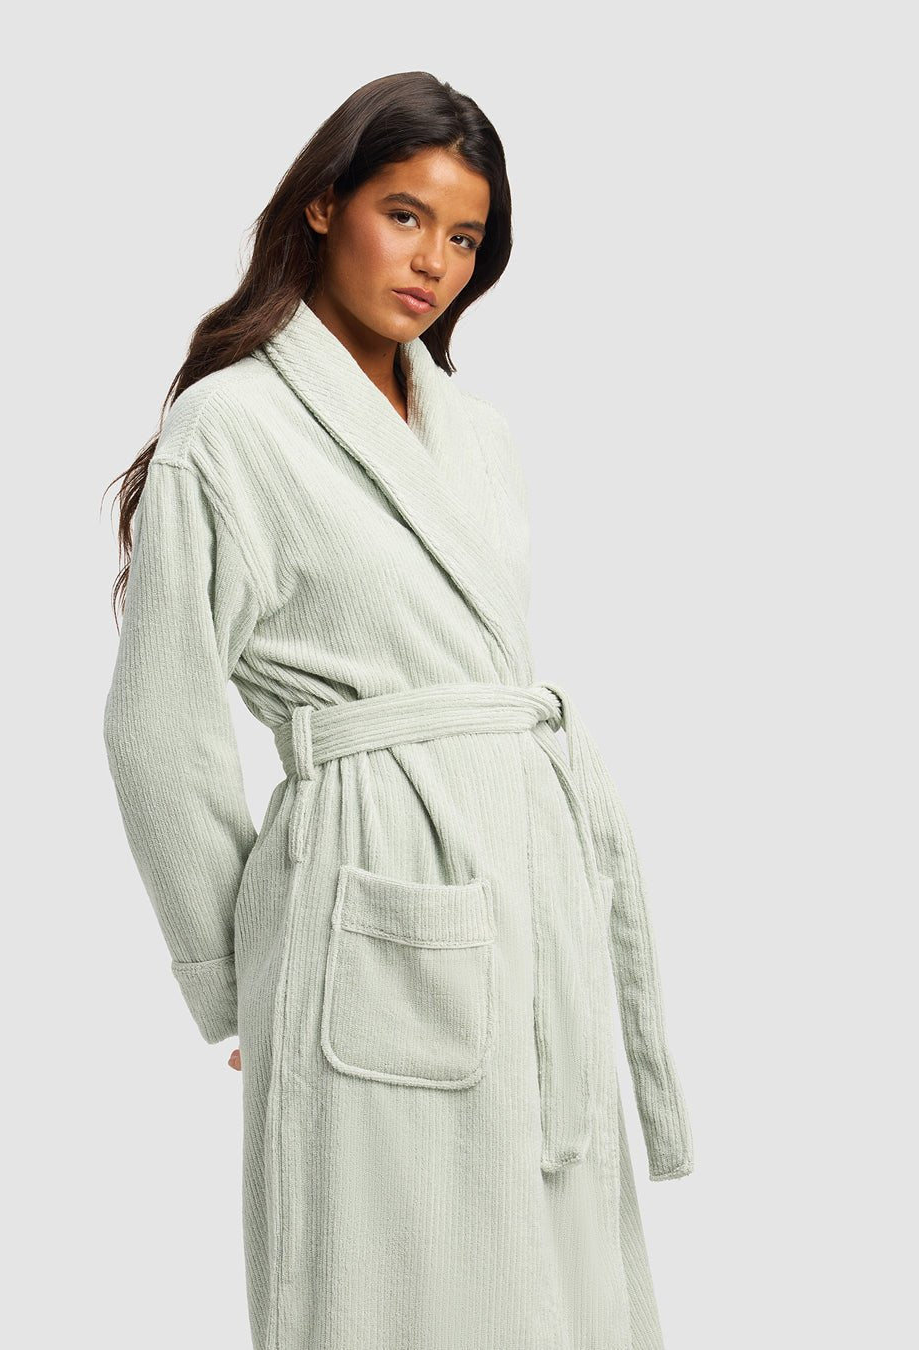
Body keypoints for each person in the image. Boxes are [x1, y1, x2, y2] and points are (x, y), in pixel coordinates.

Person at [102, 69, 693, 1350]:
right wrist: (242, 976)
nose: (434, 262)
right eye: (406, 215)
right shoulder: (231, 426)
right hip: (367, 882)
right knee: (389, 1275)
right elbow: (158, 727)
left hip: (527, 885)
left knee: (556, 1278)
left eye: (465, 237)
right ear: (325, 205)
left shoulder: (478, 433)